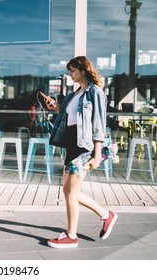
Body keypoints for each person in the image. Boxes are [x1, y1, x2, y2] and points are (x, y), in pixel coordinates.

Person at [44, 56, 118, 249]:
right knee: (68, 191)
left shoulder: (95, 92)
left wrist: (97, 153)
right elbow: (71, 118)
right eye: (69, 71)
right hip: (72, 144)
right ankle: (105, 215)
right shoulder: (75, 93)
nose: (70, 74)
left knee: (71, 192)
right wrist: (57, 107)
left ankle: (71, 235)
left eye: (72, 70)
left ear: (83, 70)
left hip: (85, 147)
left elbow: (99, 123)